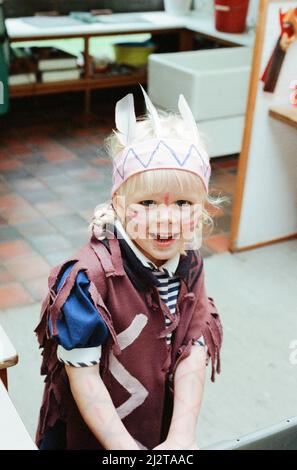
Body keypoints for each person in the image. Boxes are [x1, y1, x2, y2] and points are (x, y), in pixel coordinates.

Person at [35, 87, 223, 450]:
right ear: (118, 203)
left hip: (153, 419)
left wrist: (182, 435)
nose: (166, 219)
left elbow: (192, 345)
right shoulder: (87, 281)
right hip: (90, 434)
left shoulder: (189, 261)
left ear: (202, 206)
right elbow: (84, 376)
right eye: (147, 202)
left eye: (183, 202)